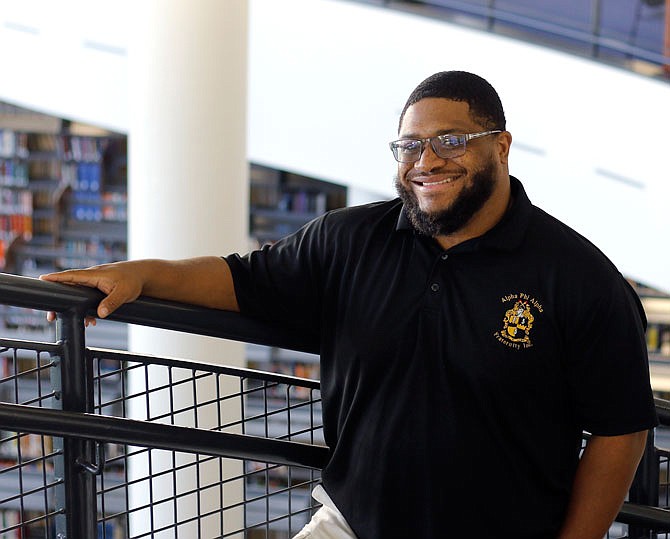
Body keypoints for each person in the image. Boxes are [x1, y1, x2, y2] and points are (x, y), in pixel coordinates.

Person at [42, 71, 658, 539]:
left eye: (450, 141)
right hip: (350, 523)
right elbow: (241, 280)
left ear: (500, 147)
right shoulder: (350, 238)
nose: (426, 162)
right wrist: (139, 274)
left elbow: (621, 428)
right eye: (409, 146)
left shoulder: (578, 278)